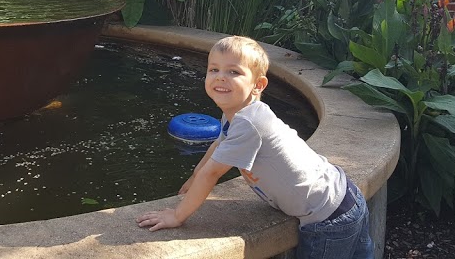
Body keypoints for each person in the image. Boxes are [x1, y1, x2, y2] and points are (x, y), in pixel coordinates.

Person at [135, 35, 373, 259]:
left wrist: (178, 215)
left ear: (258, 84)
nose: (220, 77)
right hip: (343, 196)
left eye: (234, 72)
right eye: (214, 69)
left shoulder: (249, 123)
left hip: (328, 219)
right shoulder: (238, 114)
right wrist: (193, 177)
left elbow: (212, 173)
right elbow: (219, 144)